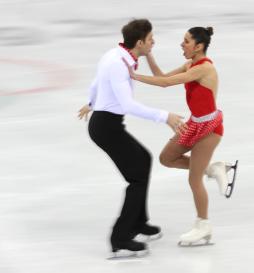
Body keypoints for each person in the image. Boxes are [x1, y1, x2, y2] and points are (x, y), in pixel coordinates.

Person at [78, 19, 184, 255]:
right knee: (136, 178)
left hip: (107, 123)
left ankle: (139, 222)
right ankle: (120, 238)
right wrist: (165, 116)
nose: (153, 41)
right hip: (106, 127)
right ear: (139, 42)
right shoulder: (118, 64)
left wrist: (91, 103)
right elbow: (127, 104)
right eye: (150, 39)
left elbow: (95, 83)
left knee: (143, 159)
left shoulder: (116, 55)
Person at [122, 26, 236, 246]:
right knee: (167, 158)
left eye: (186, 41)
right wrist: (148, 54)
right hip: (195, 124)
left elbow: (164, 83)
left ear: (198, 46)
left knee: (194, 179)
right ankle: (213, 169)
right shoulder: (190, 64)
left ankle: (203, 225)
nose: (182, 45)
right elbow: (162, 77)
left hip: (210, 129)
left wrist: (134, 75)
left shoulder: (204, 69)